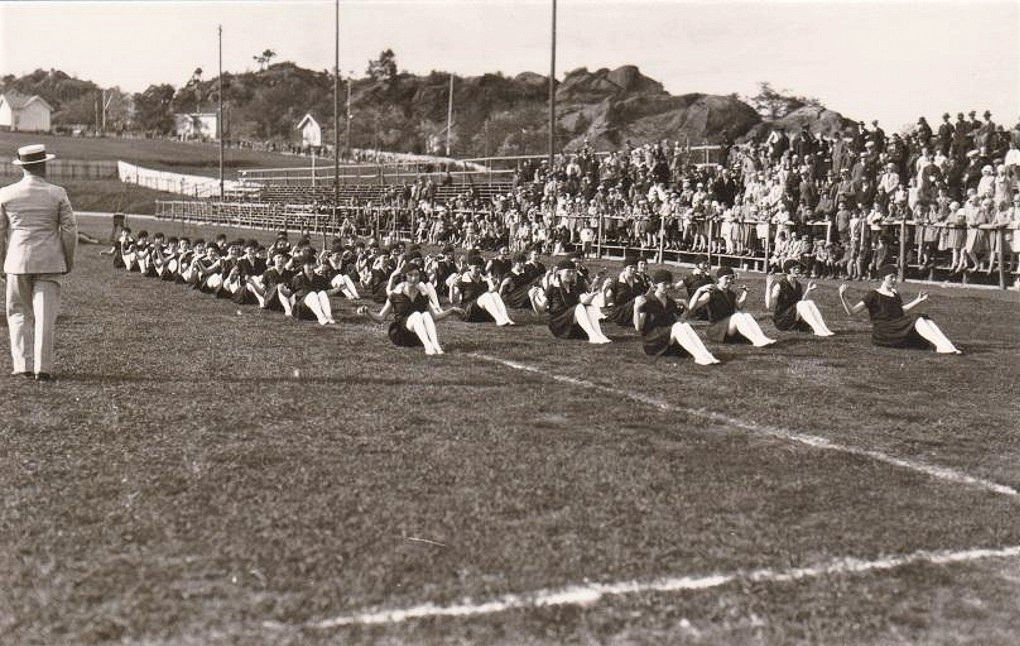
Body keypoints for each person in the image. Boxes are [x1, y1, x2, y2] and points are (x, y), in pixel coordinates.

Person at [0, 144, 78, 381]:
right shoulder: (57, 193)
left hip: (17, 260)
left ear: (23, 167)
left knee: (18, 313)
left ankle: (22, 365)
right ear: (44, 165)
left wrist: (1, 261)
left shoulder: (6, 193)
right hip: (49, 260)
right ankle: (42, 368)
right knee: (45, 315)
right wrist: (68, 259)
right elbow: (70, 230)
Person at [838, 264, 961, 353]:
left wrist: (918, 300)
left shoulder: (895, 293)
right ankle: (942, 347)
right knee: (917, 318)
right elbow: (852, 312)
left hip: (896, 327)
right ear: (883, 278)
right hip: (884, 331)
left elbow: (901, 311)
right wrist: (843, 297)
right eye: (891, 277)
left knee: (923, 317)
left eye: (895, 277)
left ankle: (948, 346)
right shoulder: (873, 294)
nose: (894, 280)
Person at [358, 261, 462, 355]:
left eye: (416, 275)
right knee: (417, 314)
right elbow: (381, 318)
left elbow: (434, 317)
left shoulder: (422, 294)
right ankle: (428, 346)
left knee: (425, 314)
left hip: (417, 336)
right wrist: (367, 311)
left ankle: (437, 346)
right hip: (401, 334)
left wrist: (451, 311)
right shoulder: (395, 295)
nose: (413, 278)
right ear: (404, 276)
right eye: (410, 275)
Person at [632, 269, 720, 365]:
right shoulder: (647, 300)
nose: (668, 286)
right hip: (652, 342)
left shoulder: (670, 301)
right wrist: (636, 309)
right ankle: (699, 357)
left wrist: (687, 310)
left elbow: (680, 321)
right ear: (656, 284)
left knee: (685, 325)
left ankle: (706, 354)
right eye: (664, 284)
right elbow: (638, 327)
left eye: (669, 283)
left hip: (666, 338)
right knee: (678, 326)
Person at [688, 267, 776, 347]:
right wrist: (698, 291)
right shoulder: (711, 293)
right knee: (737, 316)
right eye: (726, 278)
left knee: (746, 315)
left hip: (728, 328)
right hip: (716, 330)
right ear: (719, 279)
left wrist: (745, 293)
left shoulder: (730, 293)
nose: (729, 281)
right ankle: (756, 340)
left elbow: (739, 306)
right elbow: (692, 308)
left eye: (731, 278)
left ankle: (762, 338)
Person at [545, 259, 612, 343]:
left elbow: (585, 303)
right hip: (559, 324)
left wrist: (593, 295)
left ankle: (599, 335)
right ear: (559, 272)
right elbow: (541, 309)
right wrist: (533, 299)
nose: (571, 274)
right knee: (579, 307)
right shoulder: (552, 287)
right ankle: (592, 336)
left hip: (571, 323)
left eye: (573, 272)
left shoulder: (573, 287)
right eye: (568, 271)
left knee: (589, 307)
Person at [765, 259, 835, 336]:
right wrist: (768, 287)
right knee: (802, 304)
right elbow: (769, 306)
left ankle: (824, 329)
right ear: (788, 270)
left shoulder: (798, 285)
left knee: (810, 302)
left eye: (798, 268)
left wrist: (808, 290)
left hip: (793, 317)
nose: (798, 270)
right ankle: (817, 330)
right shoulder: (779, 286)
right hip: (782, 320)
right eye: (794, 268)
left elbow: (801, 303)